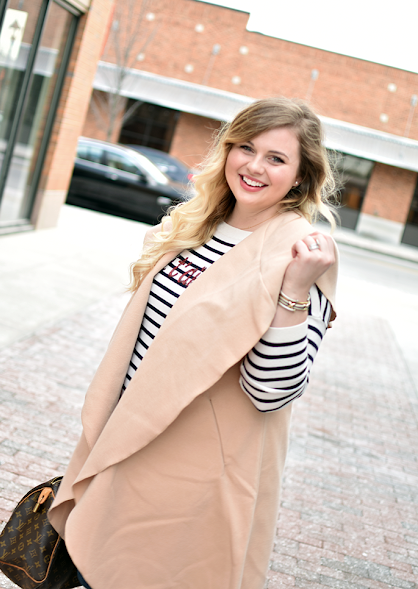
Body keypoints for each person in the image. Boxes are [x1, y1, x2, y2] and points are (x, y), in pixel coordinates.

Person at [49, 97, 339, 589]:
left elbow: (274, 391)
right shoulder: (197, 226)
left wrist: (294, 290)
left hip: (192, 473)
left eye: (276, 158)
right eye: (245, 147)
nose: (253, 166)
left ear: (301, 177)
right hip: (127, 440)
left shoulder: (300, 250)